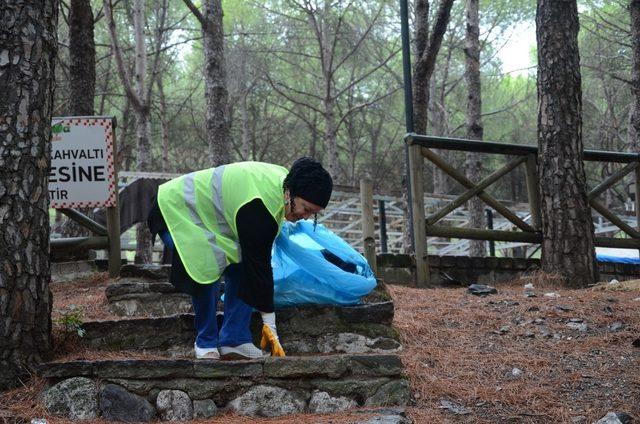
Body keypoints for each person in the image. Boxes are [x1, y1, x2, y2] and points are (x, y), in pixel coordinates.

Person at [147, 158, 333, 360]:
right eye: (305, 209)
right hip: (176, 208)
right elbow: (260, 268)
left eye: (313, 214)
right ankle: (205, 342)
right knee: (206, 263)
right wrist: (270, 326)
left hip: (210, 220)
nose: (305, 217)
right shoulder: (260, 207)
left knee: (242, 265)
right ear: (290, 193)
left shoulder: (284, 185)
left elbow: (254, 264)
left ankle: (234, 340)